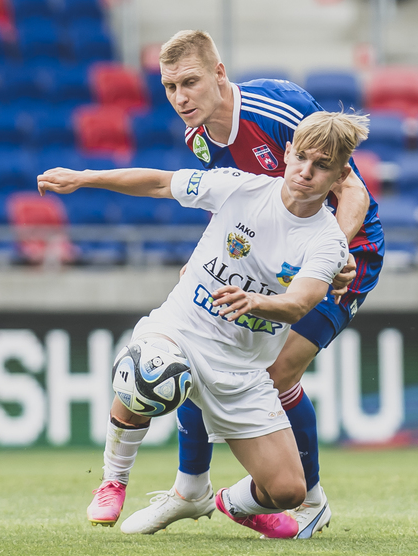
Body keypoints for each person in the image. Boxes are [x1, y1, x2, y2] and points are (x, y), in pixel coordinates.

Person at [39, 111, 371, 539]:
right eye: (302, 158)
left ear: (340, 175)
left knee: (289, 491)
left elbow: (299, 304)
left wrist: (257, 301)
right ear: (287, 153)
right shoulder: (240, 187)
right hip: (180, 331)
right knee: (144, 368)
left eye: (322, 166)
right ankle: (113, 480)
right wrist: (85, 177)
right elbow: (160, 183)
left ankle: (232, 503)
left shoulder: (327, 240)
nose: (306, 172)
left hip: (242, 371)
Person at [112, 30, 385, 537]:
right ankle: (190, 490)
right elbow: (238, 204)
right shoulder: (198, 139)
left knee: (277, 373)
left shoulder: (277, 110)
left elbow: (353, 191)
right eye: (170, 87)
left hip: (346, 256)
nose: (180, 98)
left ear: (218, 74)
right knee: (198, 348)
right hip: (269, 261)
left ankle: (309, 501)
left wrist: (336, 254)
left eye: (190, 83)